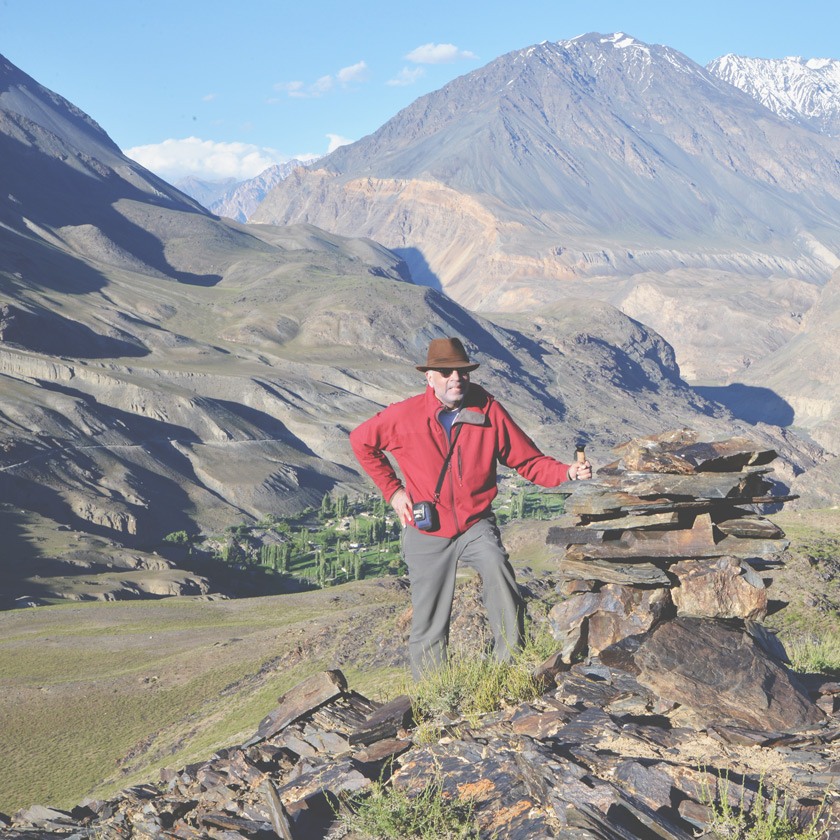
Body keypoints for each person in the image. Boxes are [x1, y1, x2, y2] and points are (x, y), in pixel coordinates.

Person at [349, 337, 591, 679]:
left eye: (461, 372)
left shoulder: (488, 410)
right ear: (428, 377)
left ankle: (509, 671)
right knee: (429, 616)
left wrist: (566, 471)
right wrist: (393, 492)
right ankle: (433, 693)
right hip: (426, 527)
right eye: (445, 372)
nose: (455, 378)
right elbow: (361, 441)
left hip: (475, 521)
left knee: (500, 575)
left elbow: (528, 460)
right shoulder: (404, 416)